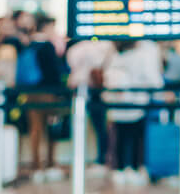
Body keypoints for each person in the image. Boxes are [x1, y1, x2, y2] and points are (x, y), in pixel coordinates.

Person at [104, 40, 164, 186]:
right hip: (136, 106)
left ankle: (119, 169)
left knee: (119, 139)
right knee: (136, 139)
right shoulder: (142, 56)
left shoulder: (114, 58)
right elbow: (154, 81)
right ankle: (135, 168)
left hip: (116, 108)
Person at [20, 14, 67, 182]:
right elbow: (53, 72)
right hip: (48, 93)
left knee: (35, 130)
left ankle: (36, 166)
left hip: (30, 92)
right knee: (52, 128)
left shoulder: (28, 44)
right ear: (46, 26)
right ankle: (50, 164)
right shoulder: (47, 46)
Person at [66, 37, 115, 173]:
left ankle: (101, 159)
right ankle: (100, 159)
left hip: (91, 92)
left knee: (98, 127)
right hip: (92, 92)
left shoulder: (77, 49)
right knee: (98, 127)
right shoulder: (105, 46)